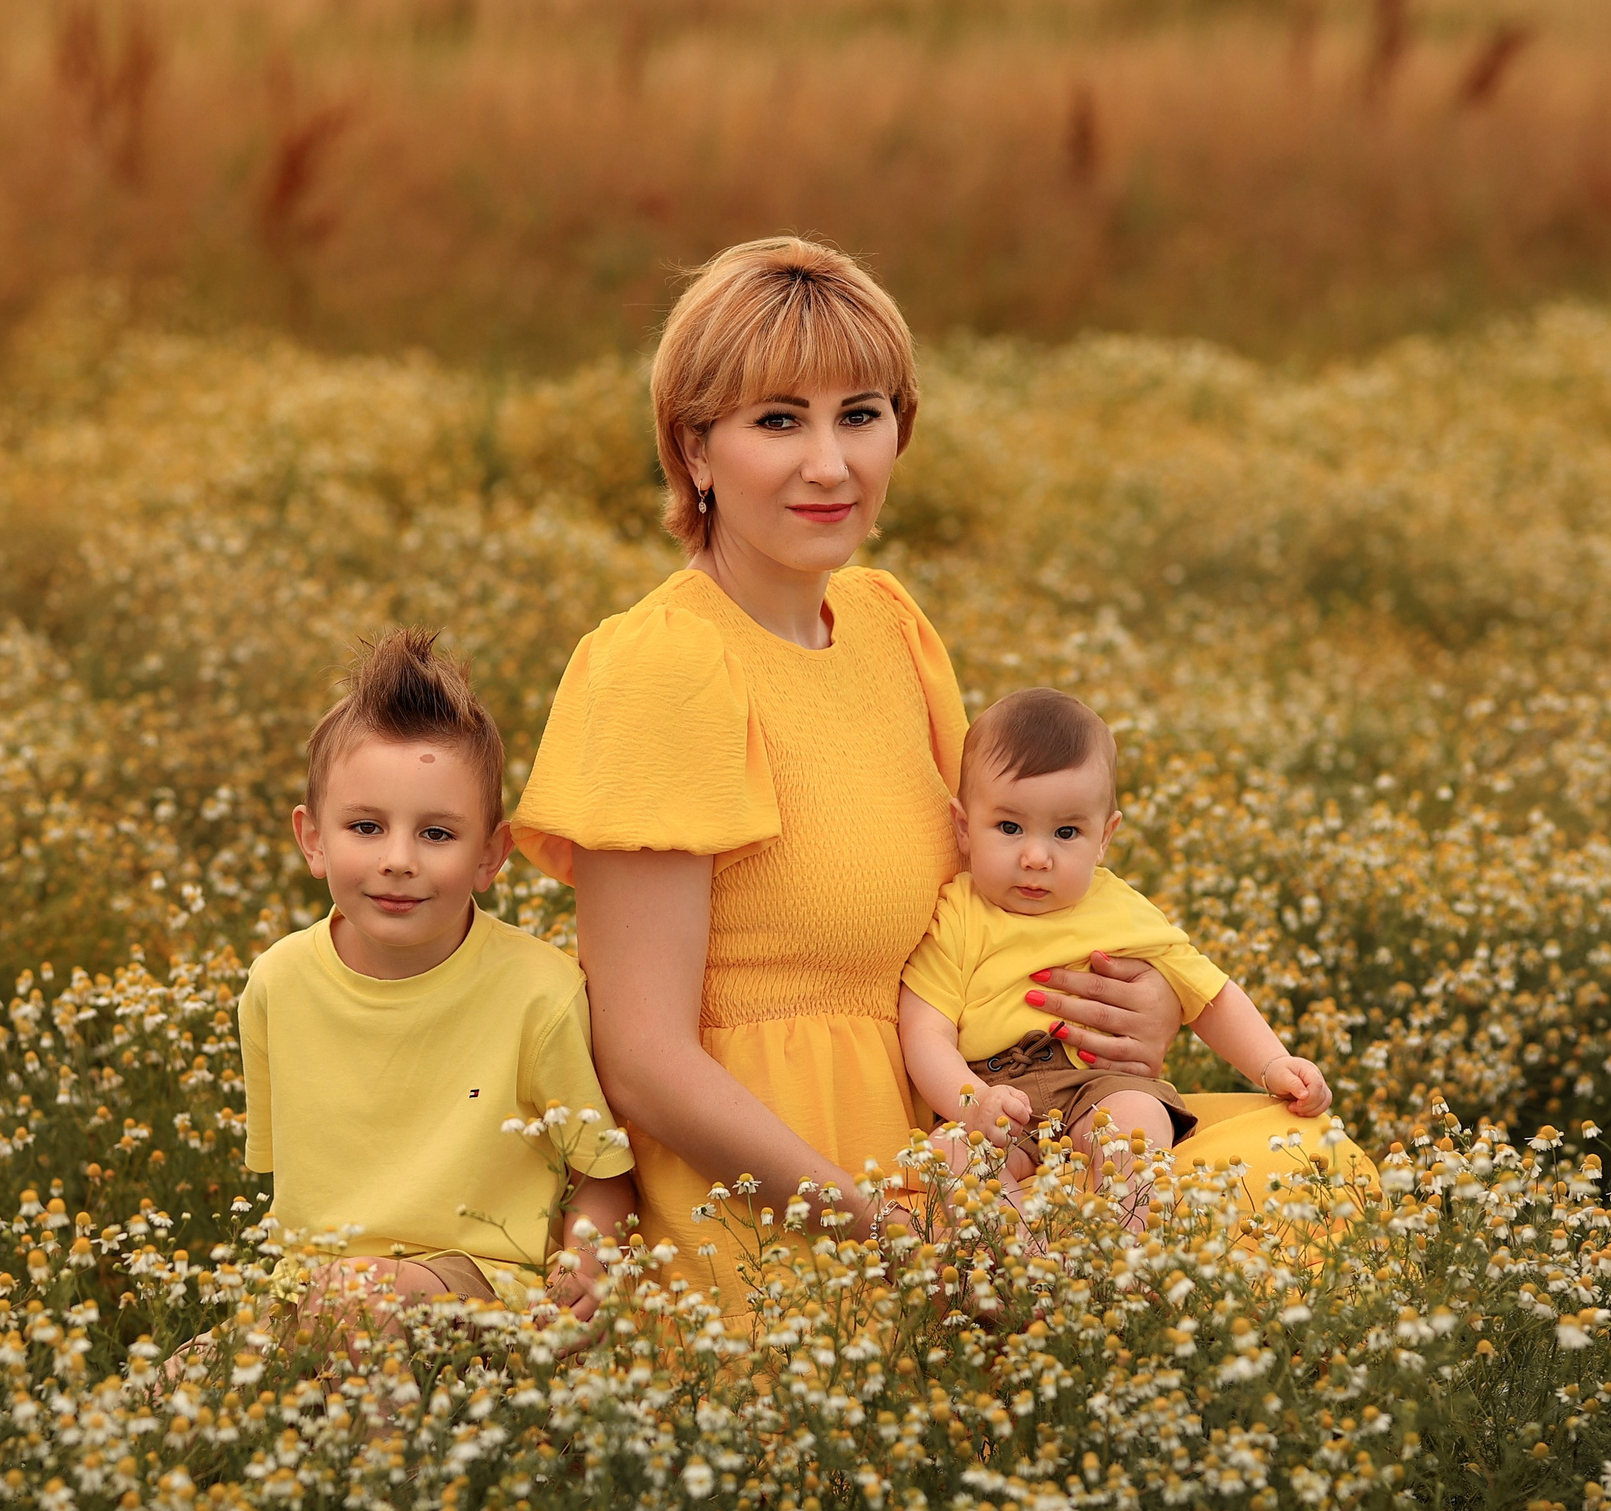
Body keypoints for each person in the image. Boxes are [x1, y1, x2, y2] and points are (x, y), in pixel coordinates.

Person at [514, 236, 1357, 1319]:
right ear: (696, 448)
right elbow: (641, 1062)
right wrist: (893, 1239)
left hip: (959, 1135)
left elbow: (985, 890)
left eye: (859, 416)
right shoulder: (663, 666)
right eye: (779, 421)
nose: (831, 465)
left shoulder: (883, 621)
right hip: (786, 1197)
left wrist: (1132, 1012)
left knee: (1305, 1173)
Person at [238, 629, 637, 1344]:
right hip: (312, 1297)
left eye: (437, 835)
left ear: (491, 854)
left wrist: (586, 1268)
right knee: (150, 1405)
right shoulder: (278, 983)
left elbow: (603, 1173)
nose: (398, 861)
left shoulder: (538, 993)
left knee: (364, 1303)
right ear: (312, 839)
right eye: (365, 826)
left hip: (480, 1287)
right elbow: (288, 1194)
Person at [900, 688, 1329, 1212]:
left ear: (1104, 838)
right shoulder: (956, 916)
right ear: (965, 828)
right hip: (994, 1090)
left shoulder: (1120, 908)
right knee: (947, 1156)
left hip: (1098, 1085)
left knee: (1136, 1123)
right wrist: (971, 1103)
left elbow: (1210, 995)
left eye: (1066, 832)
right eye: (1009, 827)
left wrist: (1273, 1064)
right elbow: (926, 1032)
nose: (1037, 857)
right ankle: (1023, 1255)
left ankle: (1126, 1253)